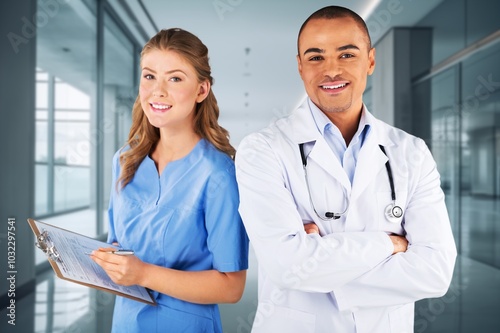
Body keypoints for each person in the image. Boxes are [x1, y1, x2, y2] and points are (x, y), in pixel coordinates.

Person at [235, 6, 457, 333]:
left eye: (347, 54)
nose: (331, 70)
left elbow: (435, 272)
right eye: (315, 57)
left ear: (370, 60)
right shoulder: (263, 150)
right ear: (300, 67)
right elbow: (288, 266)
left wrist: (322, 266)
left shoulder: (411, 152)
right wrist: (389, 244)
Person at [91, 28, 249, 333]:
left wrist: (142, 274)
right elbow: (117, 244)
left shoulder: (218, 174)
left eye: (175, 78)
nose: (157, 91)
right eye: (149, 76)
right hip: (125, 323)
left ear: (201, 90)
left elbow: (232, 287)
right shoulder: (125, 161)